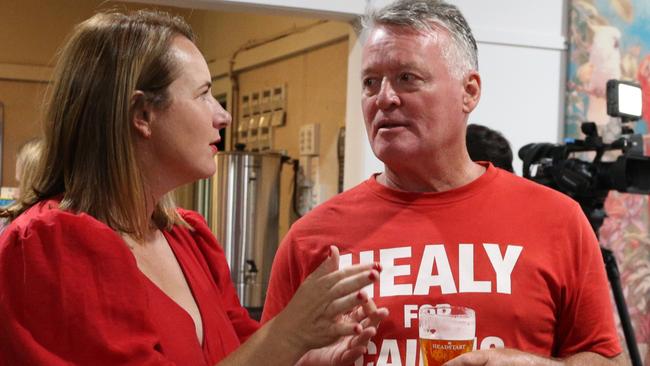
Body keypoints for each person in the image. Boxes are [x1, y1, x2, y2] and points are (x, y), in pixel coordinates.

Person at [0, 10, 389, 365]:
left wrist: (312, 356)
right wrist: (289, 332)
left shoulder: (189, 240)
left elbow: (243, 354)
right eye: (203, 95)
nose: (224, 115)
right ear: (143, 115)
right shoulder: (48, 247)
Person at [262, 1, 623, 365]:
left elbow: (606, 359)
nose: (383, 97)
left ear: (469, 92)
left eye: (407, 78)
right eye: (371, 82)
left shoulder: (557, 220)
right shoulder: (311, 239)